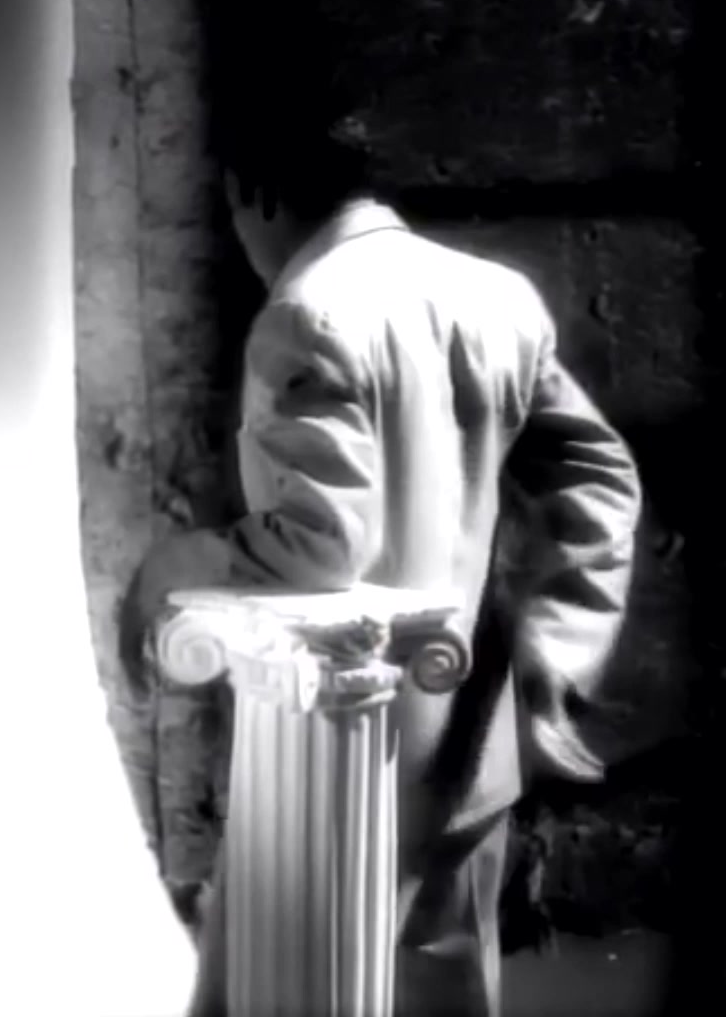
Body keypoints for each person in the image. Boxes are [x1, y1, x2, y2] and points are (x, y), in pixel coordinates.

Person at [129, 129, 642, 1017]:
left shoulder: (306, 312)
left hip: (338, 746)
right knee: (444, 990)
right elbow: (600, 480)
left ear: (256, 194)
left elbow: (320, 545)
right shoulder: (498, 298)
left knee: (282, 992)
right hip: (473, 736)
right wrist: (557, 656)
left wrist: (175, 565)